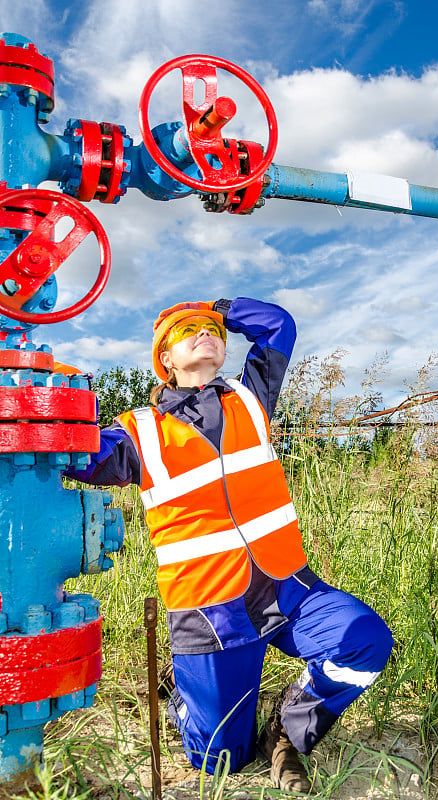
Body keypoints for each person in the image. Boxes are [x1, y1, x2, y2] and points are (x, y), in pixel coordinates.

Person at [72, 296, 393, 793]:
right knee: (220, 761)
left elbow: (277, 326)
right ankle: (187, 687)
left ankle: (288, 727)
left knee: (365, 641)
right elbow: (75, 456)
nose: (205, 333)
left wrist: (215, 307)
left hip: (286, 586)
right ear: (165, 360)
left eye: (212, 331)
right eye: (187, 331)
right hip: (209, 612)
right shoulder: (140, 433)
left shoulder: (251, 397)